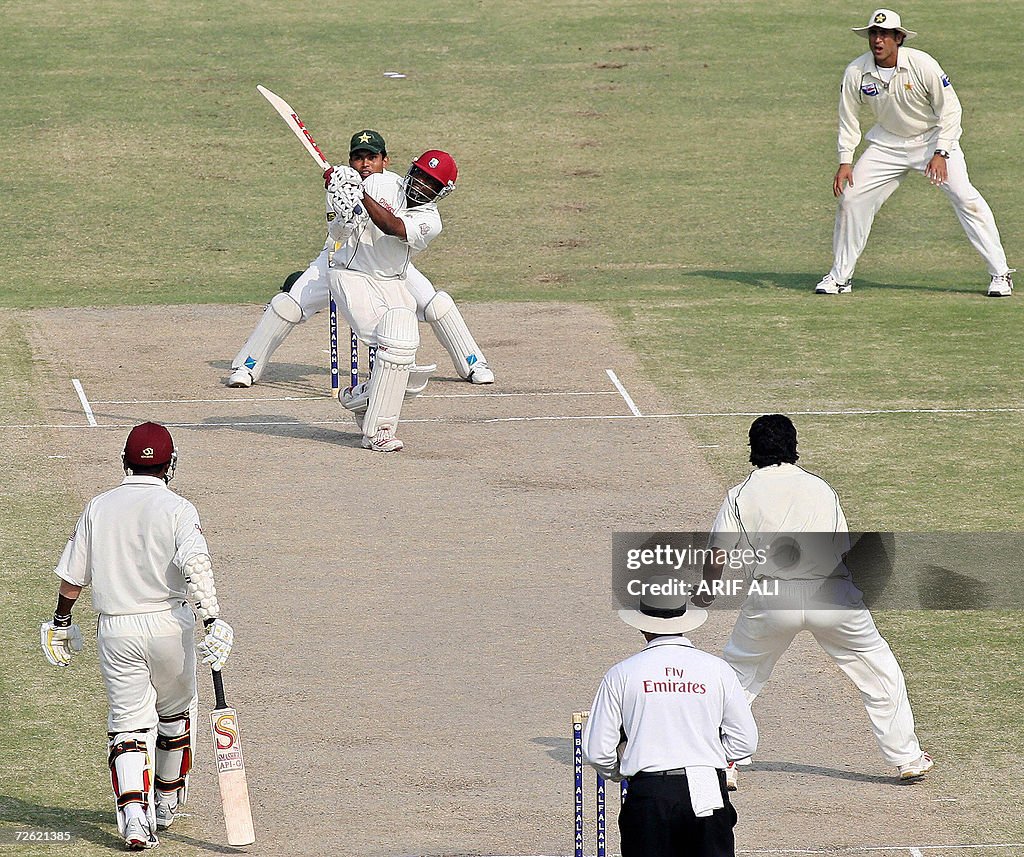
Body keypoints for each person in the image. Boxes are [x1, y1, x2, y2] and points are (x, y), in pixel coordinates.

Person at [698, 414, 932, 789]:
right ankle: (907, 758)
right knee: (879, 672)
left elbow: (717, 552)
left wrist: (707, 591)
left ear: (752, 450)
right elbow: (840, 547)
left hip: (772, 597)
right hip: (832, 594)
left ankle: (726, 760)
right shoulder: (821, 488)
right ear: (793, 447)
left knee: (737, 676)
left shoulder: (740, 494)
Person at [39, 422, 235, 850]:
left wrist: (61, 620)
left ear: (124, 460)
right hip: (170, 624)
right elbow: (196, 565)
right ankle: (165, 803)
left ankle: (133, 818)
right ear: (170, 465)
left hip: (117, 629)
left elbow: (73, 578)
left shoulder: (98, 507)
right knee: (176, 715)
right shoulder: (180, 509)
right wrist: (212, 620)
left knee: (128, 725)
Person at [227, 129, 494, 389]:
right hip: (341, 259)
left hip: (390, 270)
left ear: (385, 160)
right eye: (358, 158)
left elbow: (393, 226)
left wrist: (358, 194)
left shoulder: (430, 219)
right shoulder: (369, 183)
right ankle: (248, 365)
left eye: (431, 182)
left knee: (437, 305)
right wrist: (339, 196)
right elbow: (339, 231)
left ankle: (473, 363)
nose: (365, 164)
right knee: (289, 305)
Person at [815, 8, 1014, 297]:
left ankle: (1000, 274)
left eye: (884, 35)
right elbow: (848, 118)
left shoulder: (923, 65)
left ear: (899, 38)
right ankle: (840, 277)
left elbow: (951, 110)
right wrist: (846, 160)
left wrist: (941, 152)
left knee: (965, 197)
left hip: (932, 141)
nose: (878, 40)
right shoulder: (856, 71)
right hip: (887, 144)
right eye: (873, 34)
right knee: (851, 199)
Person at [582, 580, 757, 857]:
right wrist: (704, 754)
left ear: (642, 625)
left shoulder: (622, 673)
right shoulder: (718, 670)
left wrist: (622, 770)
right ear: (685, 621)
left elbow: (597, 751)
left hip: (649, 791)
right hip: (706, 785)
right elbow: (745, 742)